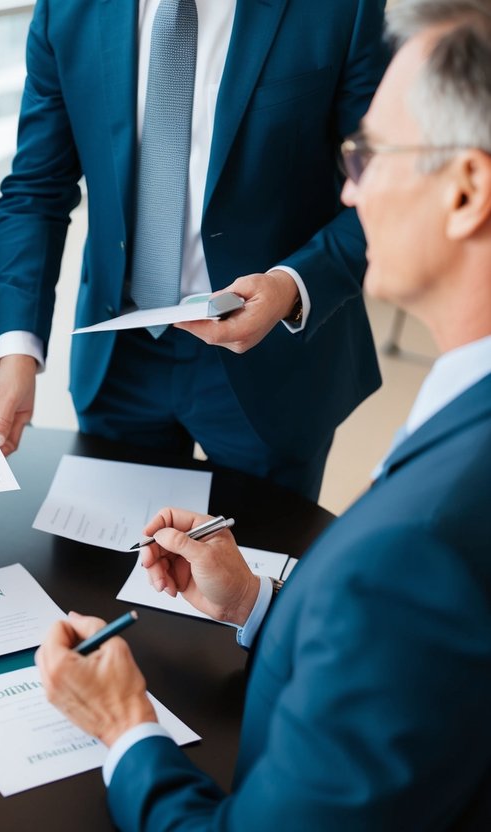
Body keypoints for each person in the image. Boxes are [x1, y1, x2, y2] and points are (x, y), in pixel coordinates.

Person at [35, 1, 491, 825]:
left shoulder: (406, 553)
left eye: (372, 155)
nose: (346, 190)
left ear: (465, 191)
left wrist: (126, 731)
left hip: (270, 375)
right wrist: (259, 602)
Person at [0, 0, 388, 500]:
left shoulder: (340, 9)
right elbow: (37, 187)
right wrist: (17, 351)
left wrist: (290, 286)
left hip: (273, 358)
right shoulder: (66, 10)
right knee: (114, 564)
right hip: (119, 358)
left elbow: (391, 183)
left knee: (260, 568)